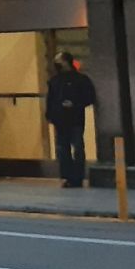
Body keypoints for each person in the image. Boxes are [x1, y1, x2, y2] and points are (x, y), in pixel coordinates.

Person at [46, 51, 96, 188]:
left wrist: (74, 104)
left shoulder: (79, 80)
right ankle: (68, 177)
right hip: (64, 119)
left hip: (73, 119)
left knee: (75, 148)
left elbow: (89, 97)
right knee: (64, 149)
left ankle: (76, 177)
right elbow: (50, 100)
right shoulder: (56, 81)